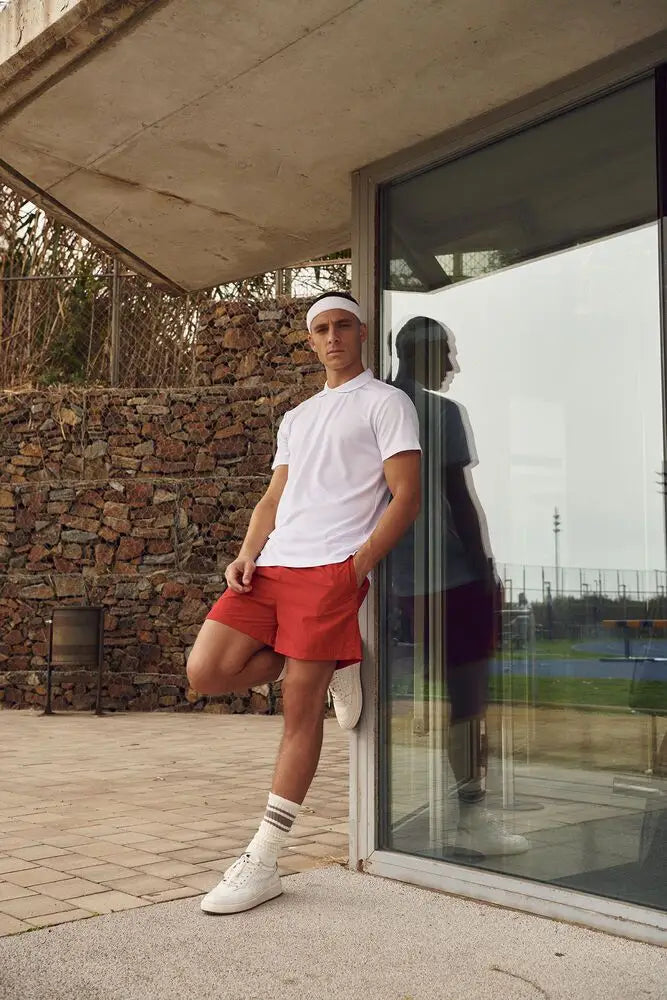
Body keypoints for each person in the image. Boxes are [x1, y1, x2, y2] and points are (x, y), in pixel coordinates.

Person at [186, 291, 422, 914]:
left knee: (300, 708)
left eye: (343, 325)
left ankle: (263, 860)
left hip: (331, 571)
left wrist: (355, 568)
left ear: (362, 332)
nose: (333, 336)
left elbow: (406, 496)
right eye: (322, 329)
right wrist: (247, 552)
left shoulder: (387, 403)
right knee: (206, 672)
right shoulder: (297, 416)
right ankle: (339, 658)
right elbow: (273, 497)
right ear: (311, 341)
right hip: (270, 568)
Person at [389, 316, 529, 856]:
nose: (454, 364)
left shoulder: (374, 406)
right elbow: (460, 501)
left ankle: (419, 814)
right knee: (468, 701)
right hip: (449, 579)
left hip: (391, 582)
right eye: (447, 352)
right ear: (422, 354)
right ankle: (471, 814)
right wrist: (485, 573)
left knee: (407, 699)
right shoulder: (440, 412)